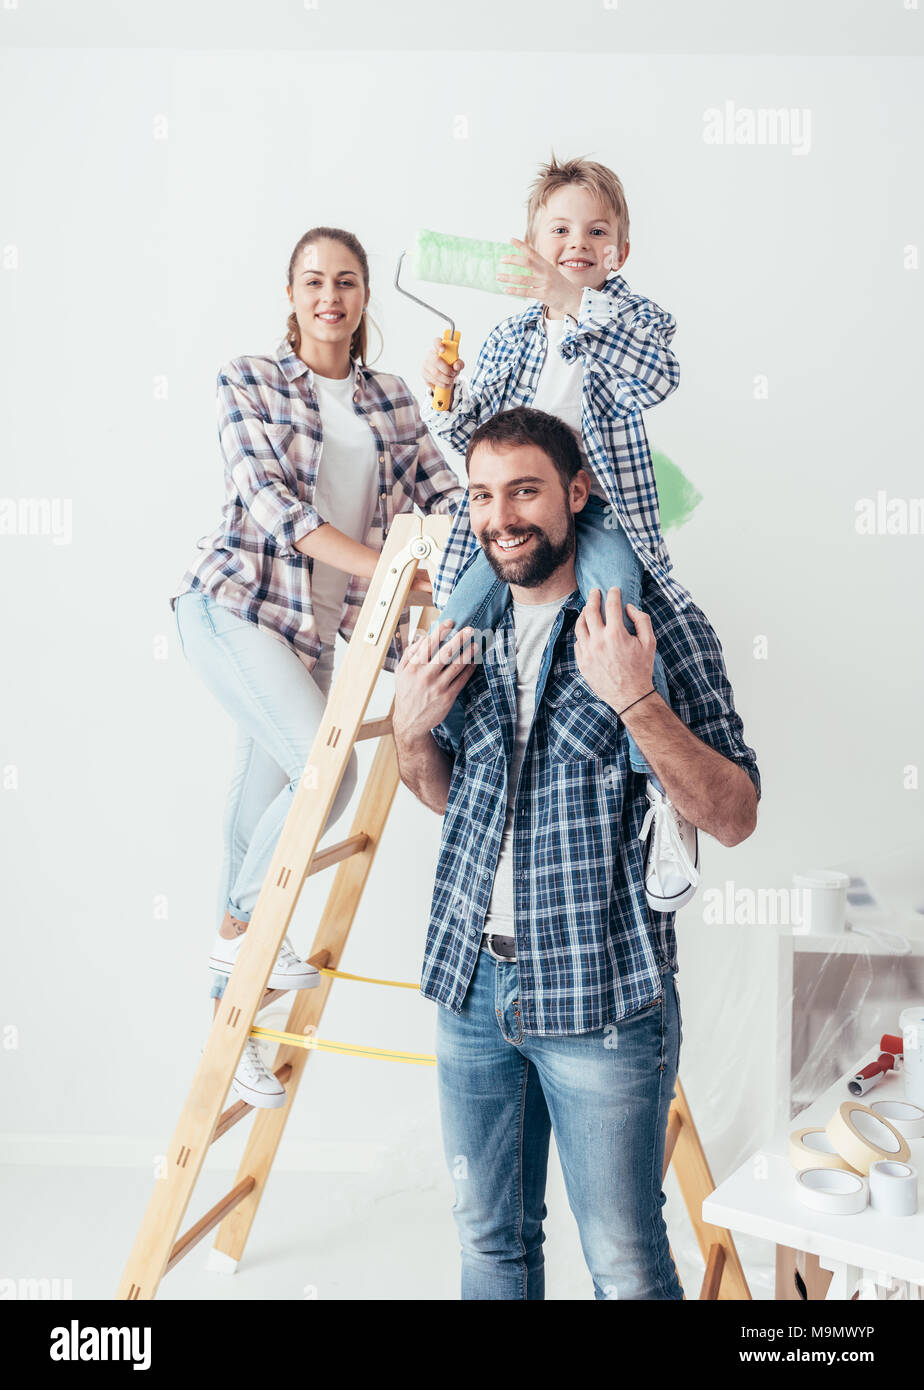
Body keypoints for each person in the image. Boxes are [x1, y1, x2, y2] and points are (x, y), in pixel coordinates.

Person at [391, 406, 760, 1300]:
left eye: (525, 490)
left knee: (626, 1265)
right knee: (488, 1242)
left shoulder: (647, 625)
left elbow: (736, 812)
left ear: (577, 493)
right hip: (472, 985)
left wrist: (637, 703)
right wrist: (408, 735)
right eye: (482, 495)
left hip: (602, 997)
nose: (501, 517)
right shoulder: (463, 632)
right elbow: (455, 800)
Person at [169, 227, 464, 1107]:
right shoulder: (247, 380)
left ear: (367, 295)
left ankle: (236, 1004)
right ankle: (241, 940)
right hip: (230, 610)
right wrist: (400, 568)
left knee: (256, 817)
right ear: (290, 293)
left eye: (346, 282)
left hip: (310, 638)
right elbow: (278, 512)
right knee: (323, 775)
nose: (329, 297)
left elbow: (442, 492)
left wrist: (471, 540)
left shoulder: (392, 397)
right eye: (313, 282)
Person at [421, 154, 699, 912]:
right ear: (530, 247)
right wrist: (445, 394)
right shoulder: (512, 336)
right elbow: (472, 437)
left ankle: (663, 806)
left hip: (599, 509)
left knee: (619, 623)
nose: (579, 241)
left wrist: (573, 299)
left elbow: (656, 377)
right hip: (521, 513)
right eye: (561, 230)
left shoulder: (632, 319)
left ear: (621, 251)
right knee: (455, 615)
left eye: (597, 231)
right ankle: (456, 767)